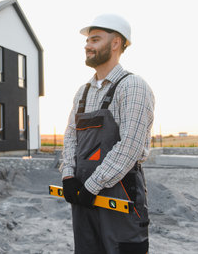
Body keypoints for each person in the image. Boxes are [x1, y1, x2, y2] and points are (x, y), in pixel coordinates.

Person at [60, 14, 155, 254]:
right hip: (82, 195)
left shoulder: (132, 86)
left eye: (95, 39)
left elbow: (129, 147)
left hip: (119, 196)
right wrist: (69, 176)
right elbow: (71, 136)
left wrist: (92, 186)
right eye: (87, 41)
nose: (87, 45)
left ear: (115, 43)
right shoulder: (83, 91)